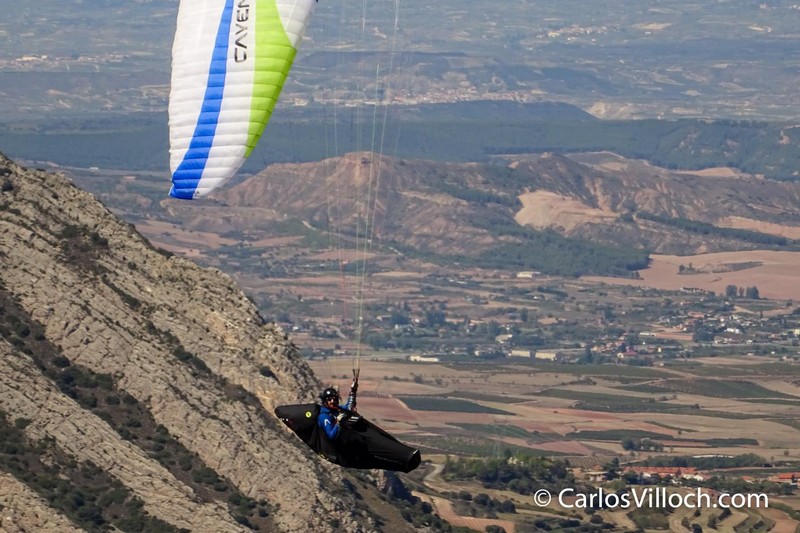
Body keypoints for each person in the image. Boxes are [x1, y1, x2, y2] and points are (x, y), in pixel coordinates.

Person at [317, 375, 358, 441]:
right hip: (334, 449)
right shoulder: (324, 416)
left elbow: (349, 407)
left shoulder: (336, 409)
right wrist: (338, 423)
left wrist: (353, 391)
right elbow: (331, 436)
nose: (332, 401)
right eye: (329, 399)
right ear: (325, 401)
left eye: (335, 399)